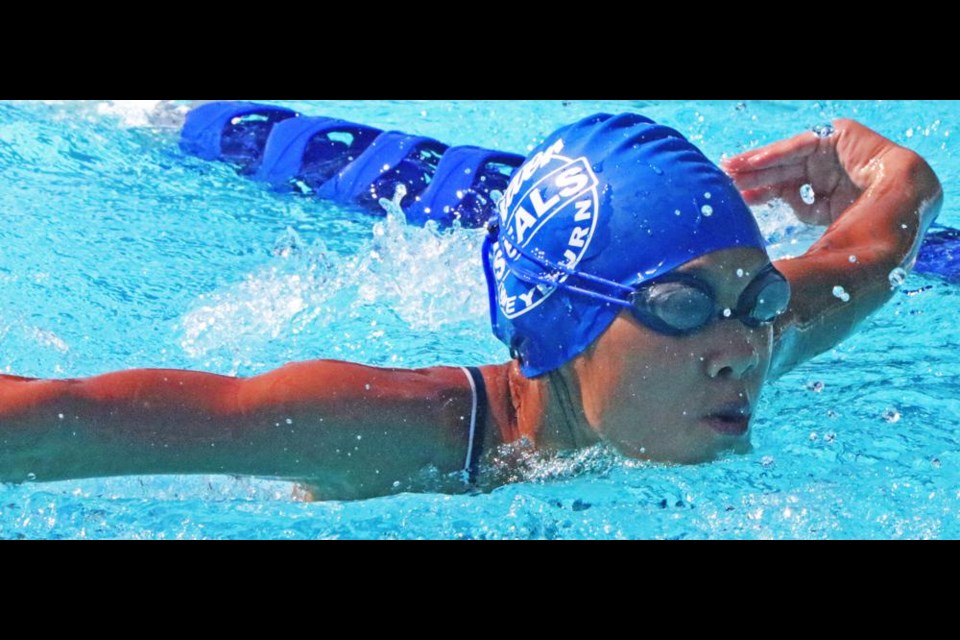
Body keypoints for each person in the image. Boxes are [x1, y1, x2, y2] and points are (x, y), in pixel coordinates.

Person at [0, 113, 942, 500]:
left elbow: (862, 254)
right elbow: (58, 427)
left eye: (756, 291)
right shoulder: (391, 430)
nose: (743, 342)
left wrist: (902, 179)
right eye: (682, 306)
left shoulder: (744, 343)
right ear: (564, 326)